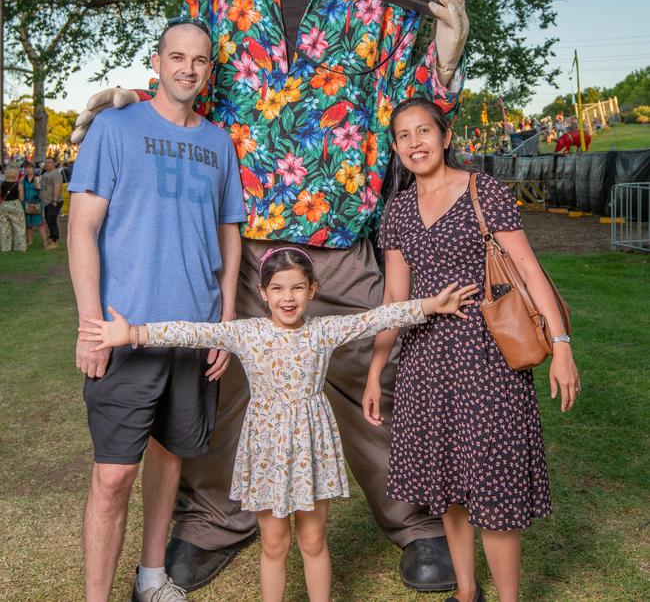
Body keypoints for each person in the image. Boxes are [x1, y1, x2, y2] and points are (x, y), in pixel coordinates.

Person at [70, 0, 471, 592]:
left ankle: (413, 520)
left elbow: (411, 105)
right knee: (225, 394)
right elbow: (190, 78)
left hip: (342, 230)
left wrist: (445, 59)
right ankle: (217, 520)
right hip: (240, 238)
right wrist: (131, 106)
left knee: (375, 371)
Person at [79, 246, 477, 602]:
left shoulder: (324, 330)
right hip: (267, 447)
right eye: (279, 289)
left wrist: (430, 305)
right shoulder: (248, 333)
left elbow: (379, 317)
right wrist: (130, 332)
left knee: (313, 538)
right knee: (274, 542)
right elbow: (191, 331)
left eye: (297, 288)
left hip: (311, 445)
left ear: (312, 290)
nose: (288, 298)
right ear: (264, 292)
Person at [362, 97, 581, 602]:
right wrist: (377, 369)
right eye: (404, 136)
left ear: (444, 136)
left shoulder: (485, 191)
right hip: (425, 362)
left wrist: (562, 345)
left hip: (488, 358)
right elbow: (394, 299)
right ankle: (466, 593)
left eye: (424, 132)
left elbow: (528, 270)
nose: (415, 143)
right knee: (449, 489)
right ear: (395, 147)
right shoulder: (396, 211)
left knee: (494, 488)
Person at [67, 19, 246, 602]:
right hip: (122, 332)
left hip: (192, 333)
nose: (187, 69)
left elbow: (229, 239)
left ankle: (151, 577)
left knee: (170, 461)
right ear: (158, 61)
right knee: (115, 475)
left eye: (198, 60)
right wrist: (90, 327)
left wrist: (223, 324)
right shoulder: (115, 128)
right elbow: (82, 230)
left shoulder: (219, 143)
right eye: (176, 56)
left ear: (208, 69)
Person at [20, 161, 47, 247]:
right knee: (28, 224)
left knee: (39, 223)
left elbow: (39, 191)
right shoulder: (23, 179)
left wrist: (37, 200)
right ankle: (30, 241)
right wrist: (22, 201)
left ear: (33, 169)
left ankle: (45, 241)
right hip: (26, 203)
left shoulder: (37, 178)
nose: (28, 170)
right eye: (26, 168)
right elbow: (22, 191)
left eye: (29, 168)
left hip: (36, 203)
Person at [0, 165, 27, 253]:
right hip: (15, 205)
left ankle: (5, 247)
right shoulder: (19, 184)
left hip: (4, 206)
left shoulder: (2, 184)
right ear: (16, 173)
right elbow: (21, 198)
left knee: (4, 227)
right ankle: (20, 247)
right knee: (19, 227)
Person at [40, 156, 64, 249]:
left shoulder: (56, 174)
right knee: (49, 221)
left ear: (54, 164)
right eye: (46, 162)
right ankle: (51, 237)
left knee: (52, 221)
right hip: (46, 202)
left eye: (49, 162)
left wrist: (54, 200)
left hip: (53, 202)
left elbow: (57, 187)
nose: (47, 164)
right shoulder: (46, 173)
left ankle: (55, 241)